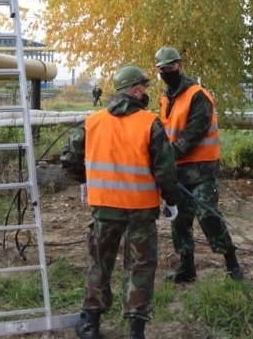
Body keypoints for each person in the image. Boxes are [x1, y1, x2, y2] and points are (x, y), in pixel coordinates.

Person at [61, 65, 179, 339]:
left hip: (104, 208)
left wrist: (85, 181)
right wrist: (171, 201)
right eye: (145, 88)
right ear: (135, 90)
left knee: (100, 263)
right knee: (139, 267)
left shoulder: (93, 122)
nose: (146, 93)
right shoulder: (150, 123)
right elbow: (166, 170)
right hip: (141, 209)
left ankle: (90, 325)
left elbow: (68, 159)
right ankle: (136, 332)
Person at [154, 46, 244, 283]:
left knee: (208, 215)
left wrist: (166, 156)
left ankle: (232, 264)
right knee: (179, 220)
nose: (166, 72)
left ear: (180, 66)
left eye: (170, 67)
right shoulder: (165, 97)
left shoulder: (198, 95)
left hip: (202, 170)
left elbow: (193, 133)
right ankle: (187, 268)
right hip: (178, 172)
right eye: (162, 69)